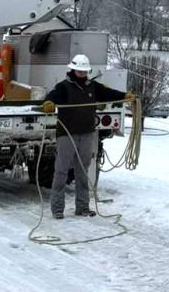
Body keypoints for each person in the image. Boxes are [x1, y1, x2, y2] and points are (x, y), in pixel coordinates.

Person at [40, 54, 129, 219]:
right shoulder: (63, 87)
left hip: (87, 133)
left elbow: (108, 93)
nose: (81, 74)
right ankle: (57, 208)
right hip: (67, 134)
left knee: (83, 171)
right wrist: (49, 103)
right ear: (73, 70)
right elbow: (52, 97)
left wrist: (125, 96)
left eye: (84, 71)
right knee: (61, 171)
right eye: (79, 71)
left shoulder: (93, 87)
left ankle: (82, 207)